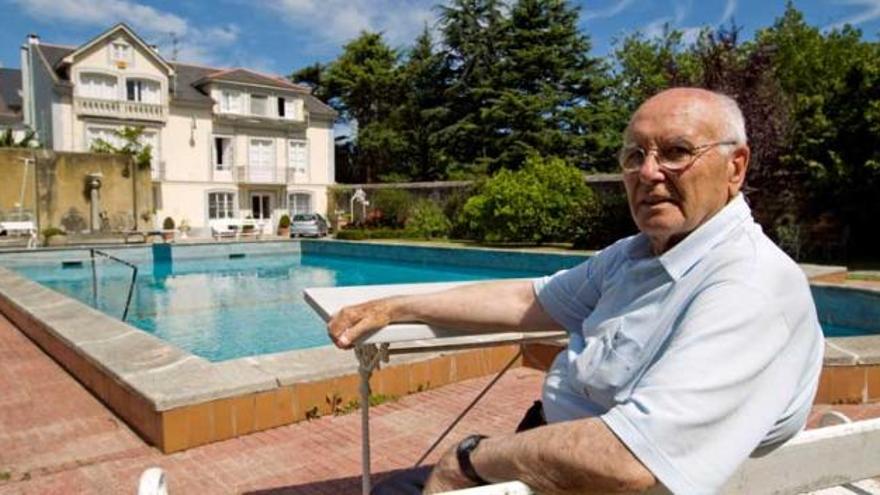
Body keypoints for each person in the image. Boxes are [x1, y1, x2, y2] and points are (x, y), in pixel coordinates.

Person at [328, 88, 824, 494]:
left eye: (676, 152)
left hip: (584, 478)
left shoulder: (749, 287)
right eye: (636, 156)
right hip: (548, 448)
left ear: (735, 168)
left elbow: (628, 459)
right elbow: (527, 301)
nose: (649, 173)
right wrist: (394, 306)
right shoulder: (636, 255)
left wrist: (469, 459)